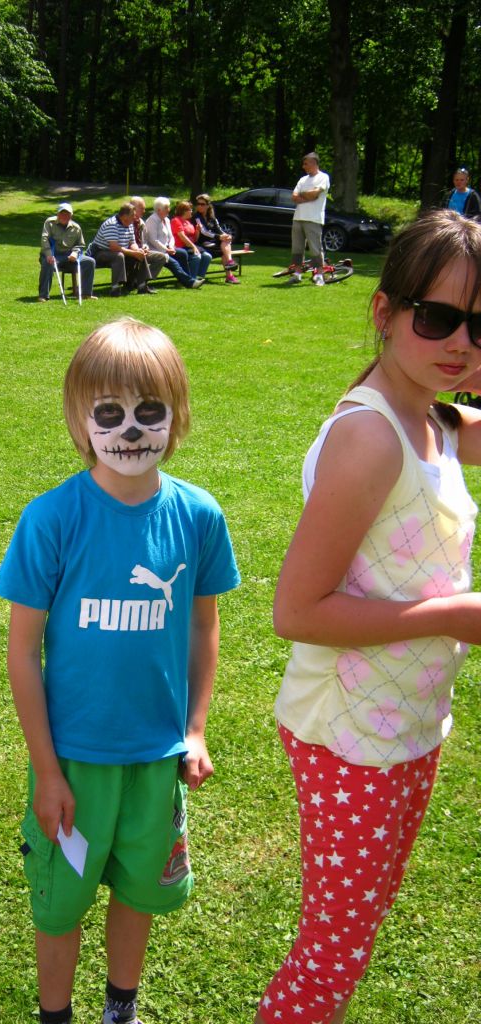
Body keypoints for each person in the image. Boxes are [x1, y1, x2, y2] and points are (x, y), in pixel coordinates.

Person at [254, 209, 481, 1024]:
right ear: (385, 310)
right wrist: (454, 614)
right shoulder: (373, 439)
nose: (461, 342)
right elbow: (297, 611)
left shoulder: (433, 416)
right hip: (351, 733)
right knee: (332, 955)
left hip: (408, 720)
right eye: (439, 317)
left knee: (359, 924)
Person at [0, 317, 240, 1024]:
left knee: (139, 891)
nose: (130, 430)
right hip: (74, 764)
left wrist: (196, 728)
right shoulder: (51, 519)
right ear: (80, 420)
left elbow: (202, 624)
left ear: (177, 415)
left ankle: (120, 1008)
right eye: (109, 413)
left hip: (157, 759)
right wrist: (46, 771)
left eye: (148, 411)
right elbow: (22, 651)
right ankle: (56, 1015)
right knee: (61, 905)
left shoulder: (198, 516)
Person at [86, 203, 153, 297]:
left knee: (141, 254)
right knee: (119, 256)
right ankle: (115, 288)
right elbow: (114, 247)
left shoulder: (129, 224)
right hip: (99, 253)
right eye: (133, 215)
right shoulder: (112, 224)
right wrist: (134, 253)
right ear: (125, 216)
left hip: (118, 251)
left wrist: (138, 250)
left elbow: (132, 242)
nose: (135, 217)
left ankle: (142, 286)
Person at [38, 203, 97, 302]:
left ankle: (86, 294)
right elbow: (45, 239)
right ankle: (43, 295)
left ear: (71, 215)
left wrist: (75, 253)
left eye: (67, 214)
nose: (64, 216)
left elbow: (80, 245)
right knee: (48, 263)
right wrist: (49, 255)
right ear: (58, 214)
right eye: (62, 213)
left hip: (69, 255)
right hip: (53, 254)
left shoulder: (76, 228)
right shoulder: (49, 222)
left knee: (90, 262)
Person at [143, 197, 204, 289]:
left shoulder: (167, 220)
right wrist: (166, 249)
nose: (169, 209)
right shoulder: (152, 220)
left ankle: (185, 279)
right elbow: (153, 240)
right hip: (157, 250)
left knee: (182, 253)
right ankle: (190, 282)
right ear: (159, 210)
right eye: (166, 208)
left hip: (168, 248)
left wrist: (171, 246)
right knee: (173, 262)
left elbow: (171, 237)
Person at [290, 151, 330, 286]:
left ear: (313, 163)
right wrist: (308, 196)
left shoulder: (323, 177)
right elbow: (294, 197)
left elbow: (315, 194)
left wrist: (303, 195)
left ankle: (319, 275)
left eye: (306, 164)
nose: (303, 166)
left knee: (315, 248)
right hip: (298, 218)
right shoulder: (302, 180)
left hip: (313, 219)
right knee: (297, 248)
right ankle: (297, 274)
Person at [193, 195, 240, 284]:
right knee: (224, 249)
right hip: (202, 244)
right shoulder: (196, 217)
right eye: (198, 204)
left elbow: (219, 230)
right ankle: (230, 272)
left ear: (208, 205)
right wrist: (218, 237)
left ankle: (230, 264)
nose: (199, 206)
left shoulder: (212, 218)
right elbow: (204, 231)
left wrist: (226, 235)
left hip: (213, 243)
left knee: (226, 241)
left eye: (202, 204)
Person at [170, 201, 212, 282]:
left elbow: (195, 239)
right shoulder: (176, 221)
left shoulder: (188, 222)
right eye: (190, 210)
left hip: (190, 247)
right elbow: (182, 236)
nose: (192, 211)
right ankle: (191, 279)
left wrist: (197, 230)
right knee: (196, 257)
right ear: (184, 211)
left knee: (207, 256)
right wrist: (193, 247)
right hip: (181, 247)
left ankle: (199, 277)